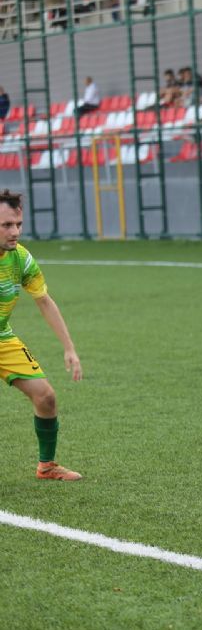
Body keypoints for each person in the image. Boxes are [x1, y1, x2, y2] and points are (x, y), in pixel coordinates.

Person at [0, 190, 83, 481]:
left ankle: (46, 466)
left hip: (2, 339)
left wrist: (69, 348)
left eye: (18, 224)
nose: (16, 232)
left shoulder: (20, 259)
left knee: (46, 397)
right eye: (7, 225)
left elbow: (44, 301)